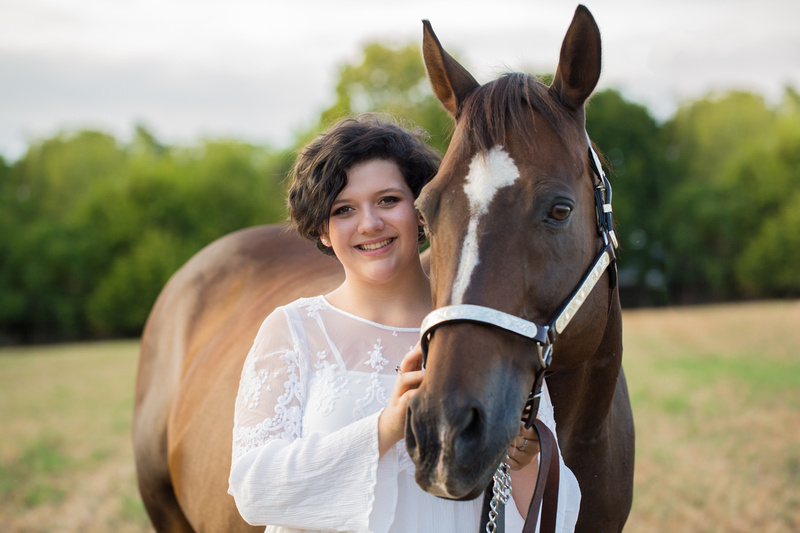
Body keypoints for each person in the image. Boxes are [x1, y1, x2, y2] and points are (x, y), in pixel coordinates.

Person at [228, 114, 578, 532]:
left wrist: (528, 462)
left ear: (422, 211)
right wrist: (385, 428)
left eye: (388, 200)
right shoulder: (292, 330)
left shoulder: (486, 324)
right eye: (343, 210)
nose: (370, 223)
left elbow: (559, 516)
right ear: (323, 230)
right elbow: (253, 491)